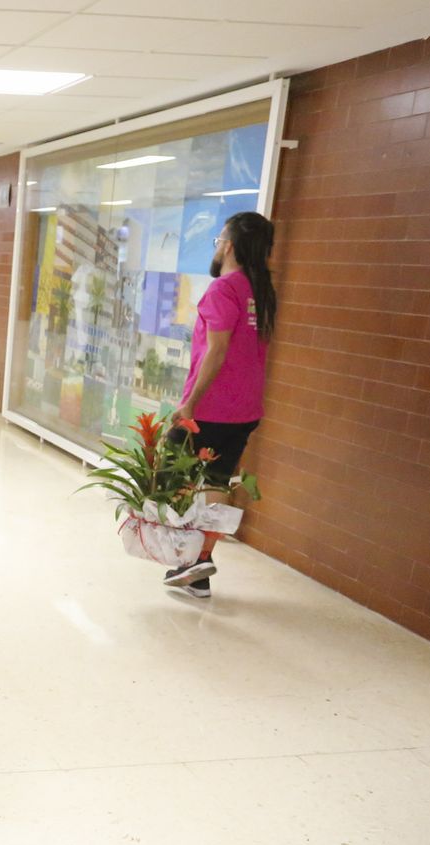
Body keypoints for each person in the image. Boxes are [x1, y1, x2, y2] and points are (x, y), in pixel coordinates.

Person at [164, 211, 277, 598]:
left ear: (228, 245)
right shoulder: (259, 289)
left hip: (210, 408)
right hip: (245, 410)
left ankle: (187, 556)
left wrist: (189, 404)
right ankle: (199, 569)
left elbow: (217, 350)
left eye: (218, 241)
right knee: (216, 481)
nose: (217, 248)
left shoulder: (223, 289)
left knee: (172, 473)